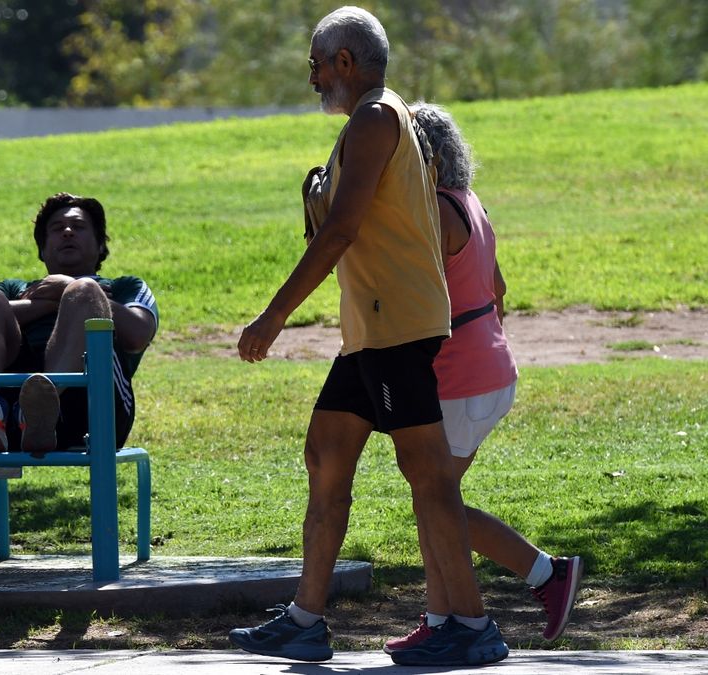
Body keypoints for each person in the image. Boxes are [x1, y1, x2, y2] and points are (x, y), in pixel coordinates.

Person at [227, 7, 508, 666]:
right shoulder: (380, 120)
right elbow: (348, 218)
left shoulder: (377, 118)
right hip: (371, 331)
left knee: (429, 476)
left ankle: (471, 626)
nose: (313, 79)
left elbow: (342, 230)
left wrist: (272, 317)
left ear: (345, 62)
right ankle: (304, 619)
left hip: (394, 328)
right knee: (325, 454)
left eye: (317, 65)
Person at [380, 103, 583, 653]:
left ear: (428, 158)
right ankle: (439, 621)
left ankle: (544, 574)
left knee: (436, 503)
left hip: (462, 383)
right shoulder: (470, 204)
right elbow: (499, 289)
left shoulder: (435, 212)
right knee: (434, 499)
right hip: (489, 373)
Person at [0, 192, 158, 456]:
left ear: (101, 245)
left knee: (86, 290)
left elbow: (139, 334)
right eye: (57, 229)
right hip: (12, 414)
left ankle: (43, 403)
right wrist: (54, 301)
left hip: (95, 414)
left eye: (78, 227)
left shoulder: (124, 287)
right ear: (42, 249)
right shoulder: (15, 289)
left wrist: (73, 290)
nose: (68, 231)